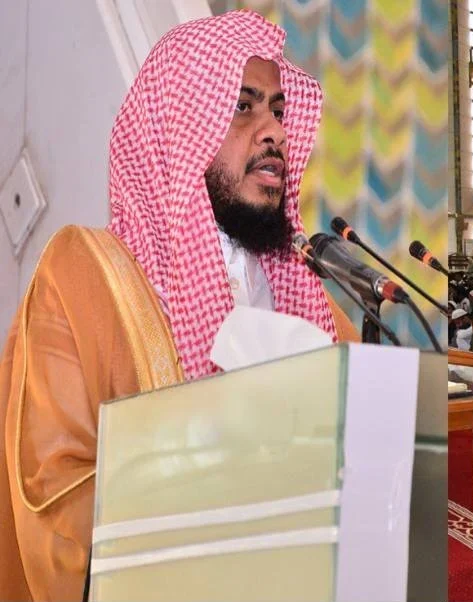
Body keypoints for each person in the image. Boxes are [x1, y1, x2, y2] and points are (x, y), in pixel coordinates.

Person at [0, 12, 361, 600]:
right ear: (178, 124)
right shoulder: (82, 273)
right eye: (243, 106)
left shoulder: (314, 299)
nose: (273, 131)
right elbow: (51, 491)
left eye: (278, 109)